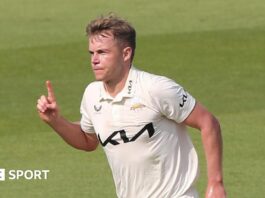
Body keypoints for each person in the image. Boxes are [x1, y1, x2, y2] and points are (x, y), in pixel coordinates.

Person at [36, 14, 226, 198]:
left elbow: (208, 123)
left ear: (126, 53)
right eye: (92, 53)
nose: (94, 60)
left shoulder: (155, 88)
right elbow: (88, 141)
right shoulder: (92, 95)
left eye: (102, 52)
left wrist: (215, 183)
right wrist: (56, 121)